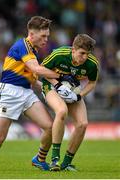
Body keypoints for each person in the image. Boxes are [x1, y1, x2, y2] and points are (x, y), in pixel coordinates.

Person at [0, 16, 62, 171]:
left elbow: (33, 80)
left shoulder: (33, 52)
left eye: (47, 36)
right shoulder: (22, 46)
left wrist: (54, 88)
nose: (46, 40)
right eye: (43, 36)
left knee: (50, 127)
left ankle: (39, 159)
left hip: (26, 92)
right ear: (32, 33)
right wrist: (60, 77)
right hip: (9, 92)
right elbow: (36, 69)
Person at [41, 34, 99, 171]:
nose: (84, 57)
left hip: (73, 90)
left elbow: (92, 83)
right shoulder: (59, 54)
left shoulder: (92, 63)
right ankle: (55, 159)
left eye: (87, 54)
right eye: (82, 53)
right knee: (61, 111)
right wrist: (57, 84)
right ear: (73, 50)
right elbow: (42, 70)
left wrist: (79, 96)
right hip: (50, 85)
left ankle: (66, 163)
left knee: (82, 124)